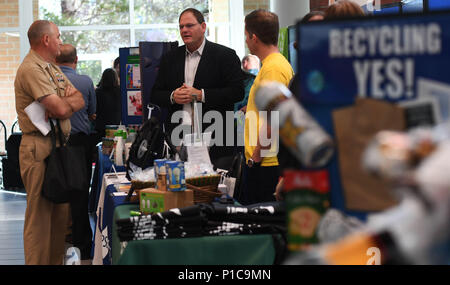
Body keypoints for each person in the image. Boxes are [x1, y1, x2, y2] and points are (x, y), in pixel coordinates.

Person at [15, 20, 85, 265]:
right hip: (38, 148)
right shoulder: (31, 69)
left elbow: (78, 99)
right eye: (57, 36)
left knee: (59, 218)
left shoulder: (51, 68)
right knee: (40, 220)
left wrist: (63, 106)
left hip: (57, 147)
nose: (60, 41)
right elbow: (60, 108)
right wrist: (63, 106)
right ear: (45, 40)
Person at [151, 8, 244, 169]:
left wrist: (202, 95)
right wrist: (173, 96)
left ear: (203, 27)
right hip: (179, 139)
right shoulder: (170, 58)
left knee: (213, 191)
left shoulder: (225, 56)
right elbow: (155, 94)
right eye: (181, 27)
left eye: (189, 25)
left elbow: (237, 92)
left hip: (216, 138)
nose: (184, 30)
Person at [243, 9, 294, 205]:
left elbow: (274, 118)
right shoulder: (271, 64)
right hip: (265, 159)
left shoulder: (274, 68)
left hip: (266, 162)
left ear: (254, 37)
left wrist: (255, 158)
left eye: (246, 36)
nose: (246, 41)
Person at [55, 43, 95, 263]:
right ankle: (82, 244)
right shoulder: (86, 81)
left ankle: (60, 239)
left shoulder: (50, 81)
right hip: (80, 144)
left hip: (56, 143)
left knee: (57, 192)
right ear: (76, 60)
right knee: (80, 194)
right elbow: (92, 112)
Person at [95, 68, 122, 139]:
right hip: (116, 125)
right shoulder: (120, 91)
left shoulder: (97, 92)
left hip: (101, 127)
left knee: (103, 147)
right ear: (115, 78)